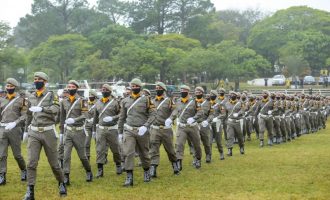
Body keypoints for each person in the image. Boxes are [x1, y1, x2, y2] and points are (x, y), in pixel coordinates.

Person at [23, 72, 66, 199]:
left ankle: (61, 182)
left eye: (39, 79)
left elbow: (56, 109)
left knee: (54, 163)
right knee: (31, 162)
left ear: (45, 81)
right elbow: (29, 115)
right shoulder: (31, 96)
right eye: (35, 79)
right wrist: (26, 130)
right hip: (34, 131)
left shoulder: (51, 95)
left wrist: (43, 109)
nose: (36, 81)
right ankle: (30, 191)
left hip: (48, 131)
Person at [118, 78, 156, 187]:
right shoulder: (125, 100)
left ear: (140, 87)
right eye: (132, 86)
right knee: (128, 152)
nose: (134, 88)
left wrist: (146, 126)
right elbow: (122, 117)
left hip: (142, 131)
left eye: (136, 86)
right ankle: (129, 177)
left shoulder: (147, 100)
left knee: (144, 153)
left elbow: (153, 114)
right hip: (129, 130)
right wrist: (120, 133)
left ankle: (146, 172)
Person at [60, 80, 92, 185]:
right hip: (68, 132)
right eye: (69, 86)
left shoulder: (83, 101)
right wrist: (61, 132)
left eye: (72, 86)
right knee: (66, 155)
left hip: (79, 132)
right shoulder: (64, 101)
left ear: (76, 88)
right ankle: (66, 176)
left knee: (82, 156)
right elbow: (62, 117)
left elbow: (86, 115)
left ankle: (88, 171)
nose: (70, 88)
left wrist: (75, 120)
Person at [167, 85, 204, 170]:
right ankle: (179, 161)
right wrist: (170, 118)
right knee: (179, 144)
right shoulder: (178, 101)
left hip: (192, 127)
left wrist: (194, 118)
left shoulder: (194, 101)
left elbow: (200, 112)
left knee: (197, 145)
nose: (182, 92)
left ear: (188, 91)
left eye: (184, 90)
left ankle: (198, 159)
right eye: (181, 90)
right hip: (182, 127)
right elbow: (175, 111)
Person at [149, 82, 179, 177]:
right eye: (156, 87)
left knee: (170, 149)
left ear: (163, 89)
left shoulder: (168, 101)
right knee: (153, 149)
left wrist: (171, 118)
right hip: (155, 128)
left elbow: (175, 110)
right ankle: (153, 168)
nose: (157, 89)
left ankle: (175, 165)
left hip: (166, 129)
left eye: (159, 88)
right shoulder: (152, 101)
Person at [0, 78, 27, 185]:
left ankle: (24, 170)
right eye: (7, 86)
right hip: (2, 129)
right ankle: (2, 175)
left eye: (11, 86)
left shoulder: (21, 100)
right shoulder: (1, 100)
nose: (9, 88)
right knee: (1, 154)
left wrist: (15, 123)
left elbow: (25, 115)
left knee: (17, 155)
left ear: (15, 87)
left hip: (15, 129)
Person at [93, 84, 122, 178]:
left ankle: (118, 165)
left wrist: (112, 118)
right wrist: (94, 130)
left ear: (110, 91)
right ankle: (100, 169)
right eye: (102, 89)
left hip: (112, 129)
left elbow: (121, 114)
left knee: (115, 149)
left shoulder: (115, 102)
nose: (104, 91)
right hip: (101, 129)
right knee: (100, 150)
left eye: (106, 89)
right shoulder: (98, 102)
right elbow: (95, 117)